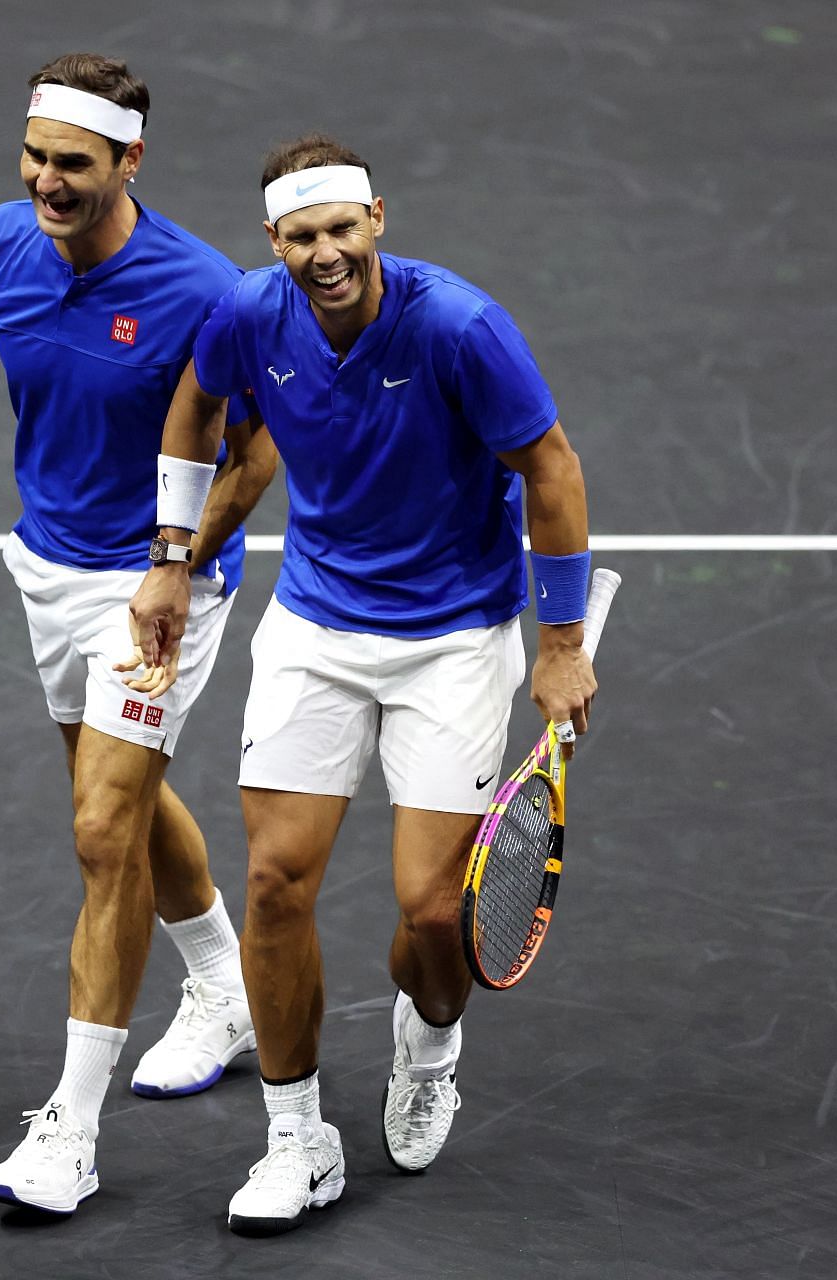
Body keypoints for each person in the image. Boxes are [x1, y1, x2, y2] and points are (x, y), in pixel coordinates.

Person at [125, 134, 596, 1236]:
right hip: (315, 628)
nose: (325, 253)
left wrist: (561, 638)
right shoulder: (250, 313)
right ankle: (298, 1138)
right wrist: (167, 552)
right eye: (302, 236)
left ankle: (430, 1042)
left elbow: (552, 466)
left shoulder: (459, 327)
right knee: (277, 884)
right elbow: (196, 409)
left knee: (437, 914)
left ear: (378, 219)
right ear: (274, 241)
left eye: (343, 229)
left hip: (454, 639)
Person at [0, 53, 277, 1217]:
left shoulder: (203, 292)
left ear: (130, 162)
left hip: (160, 584)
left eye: (72, 164)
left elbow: (255, 456)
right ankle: (224, 986)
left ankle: (69, 1132)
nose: (47, 180)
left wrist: (170, 569)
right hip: (50, 568)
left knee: (98, 829)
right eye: (34, 157)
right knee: (121, 804)